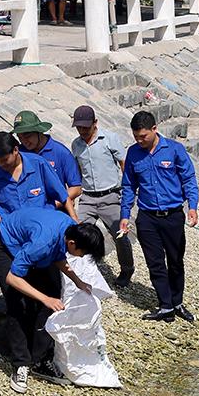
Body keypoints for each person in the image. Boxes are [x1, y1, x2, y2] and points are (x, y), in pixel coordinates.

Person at [0, 207, 106, 393]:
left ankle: (40, 358)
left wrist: (78, 282)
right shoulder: (43, 243)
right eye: (83, 253)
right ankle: (21, 364)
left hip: (32, 241)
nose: (82, 257)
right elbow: (12, 278)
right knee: (17, 303)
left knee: (54, 294)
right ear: (72, 243)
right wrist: (45, 299)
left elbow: (58, 255)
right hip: (7, 243)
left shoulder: (70, 229)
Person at [120, 110, 199, 323]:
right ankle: (165, 305)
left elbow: (189, 179)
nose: (140, 140)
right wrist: (125, 215)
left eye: (143, 136)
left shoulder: (174, 150)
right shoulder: (134, 153)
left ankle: (177, 302)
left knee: (175, 261)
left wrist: (192, 207)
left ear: (155, 129)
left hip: (173, 216)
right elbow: (128, 186)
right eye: (136, 137)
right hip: (147, 217)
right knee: (154, 262)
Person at [0, 131, 69, 265]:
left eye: (4, 160)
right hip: (13, 239)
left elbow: (63, 196)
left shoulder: (38, 164)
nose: (2, 165)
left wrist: (74, 218)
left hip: (44, 237)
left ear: (15, 150)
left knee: (51, 283)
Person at [70, 104, 134, 287]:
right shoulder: (76, 145)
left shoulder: (110, 138)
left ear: (95, 123)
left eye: (85, 127)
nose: (82, 131)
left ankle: (127, 269)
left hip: (110, 196)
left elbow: (123, 163)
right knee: (78, 234)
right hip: (88, 199)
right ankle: (84, 272)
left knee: (120, 235)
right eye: (79, 127)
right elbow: (76, 173)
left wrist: (128, 191)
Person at [13, 110, 81, 218]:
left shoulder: (61, 152)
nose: (24, 141)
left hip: (57, 214)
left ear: (39, 131)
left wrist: (55, 204)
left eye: (27, 136)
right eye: (20, 137)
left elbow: (76, 188)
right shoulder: (19, 154)